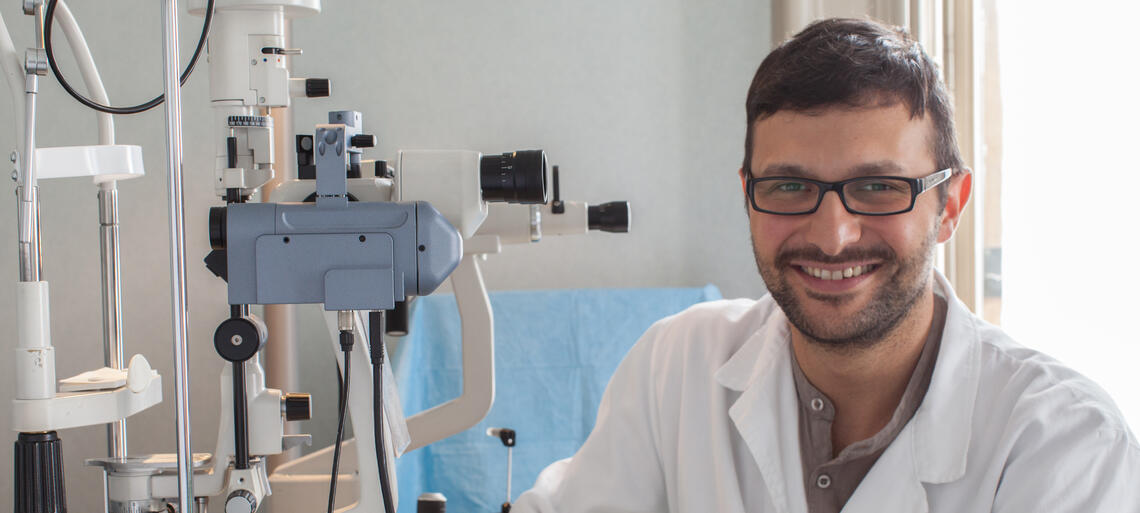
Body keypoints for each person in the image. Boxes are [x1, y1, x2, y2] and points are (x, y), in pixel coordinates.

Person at [511, 17, 1140, 513]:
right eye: (790, 187)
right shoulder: (676, 366)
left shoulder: (1064, 444)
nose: (833, 238)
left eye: (878, 187)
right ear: (748, 195)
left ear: (949, 206)